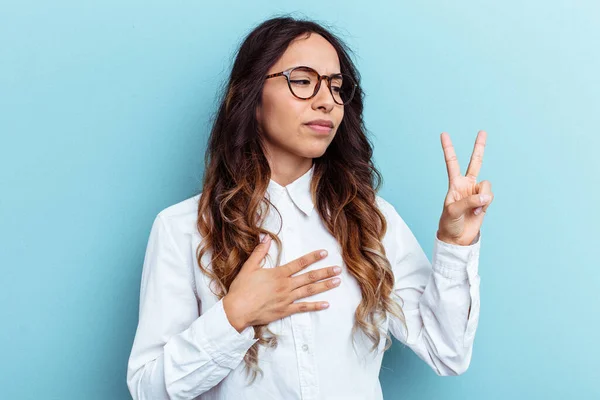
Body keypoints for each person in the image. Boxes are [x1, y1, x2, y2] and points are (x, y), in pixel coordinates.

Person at [126, 15, 493, 400]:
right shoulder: (182, 228)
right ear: (252, 98)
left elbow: (446, 352)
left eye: (336, 87)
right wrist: (234, 316)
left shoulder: (372, 220)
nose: (326, 101)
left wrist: (456, 245)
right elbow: (148, 389)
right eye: (302, 81)